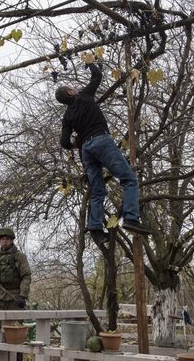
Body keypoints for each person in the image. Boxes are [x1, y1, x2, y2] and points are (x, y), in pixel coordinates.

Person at [56, 62, 152, 247]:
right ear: (70, 93)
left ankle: (95, 229)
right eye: (71, 88)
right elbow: (97, 76)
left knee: (98, 191)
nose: (75, 88)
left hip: (86, 151)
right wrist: (90, 62)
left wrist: (77, 142)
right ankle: (131, 219)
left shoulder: (67, 117)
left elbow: (64, 142)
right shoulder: (83, 96)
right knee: (129, 179)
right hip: (101, 141)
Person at [0, 227, 31, 361]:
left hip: (14, 299)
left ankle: (16, 358)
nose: (4, 242)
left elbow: (26, 276)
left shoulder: (19, 257)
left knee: (15, 334)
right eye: (2, 239)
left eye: (7, 239)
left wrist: (22, 295)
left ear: (11, 240)